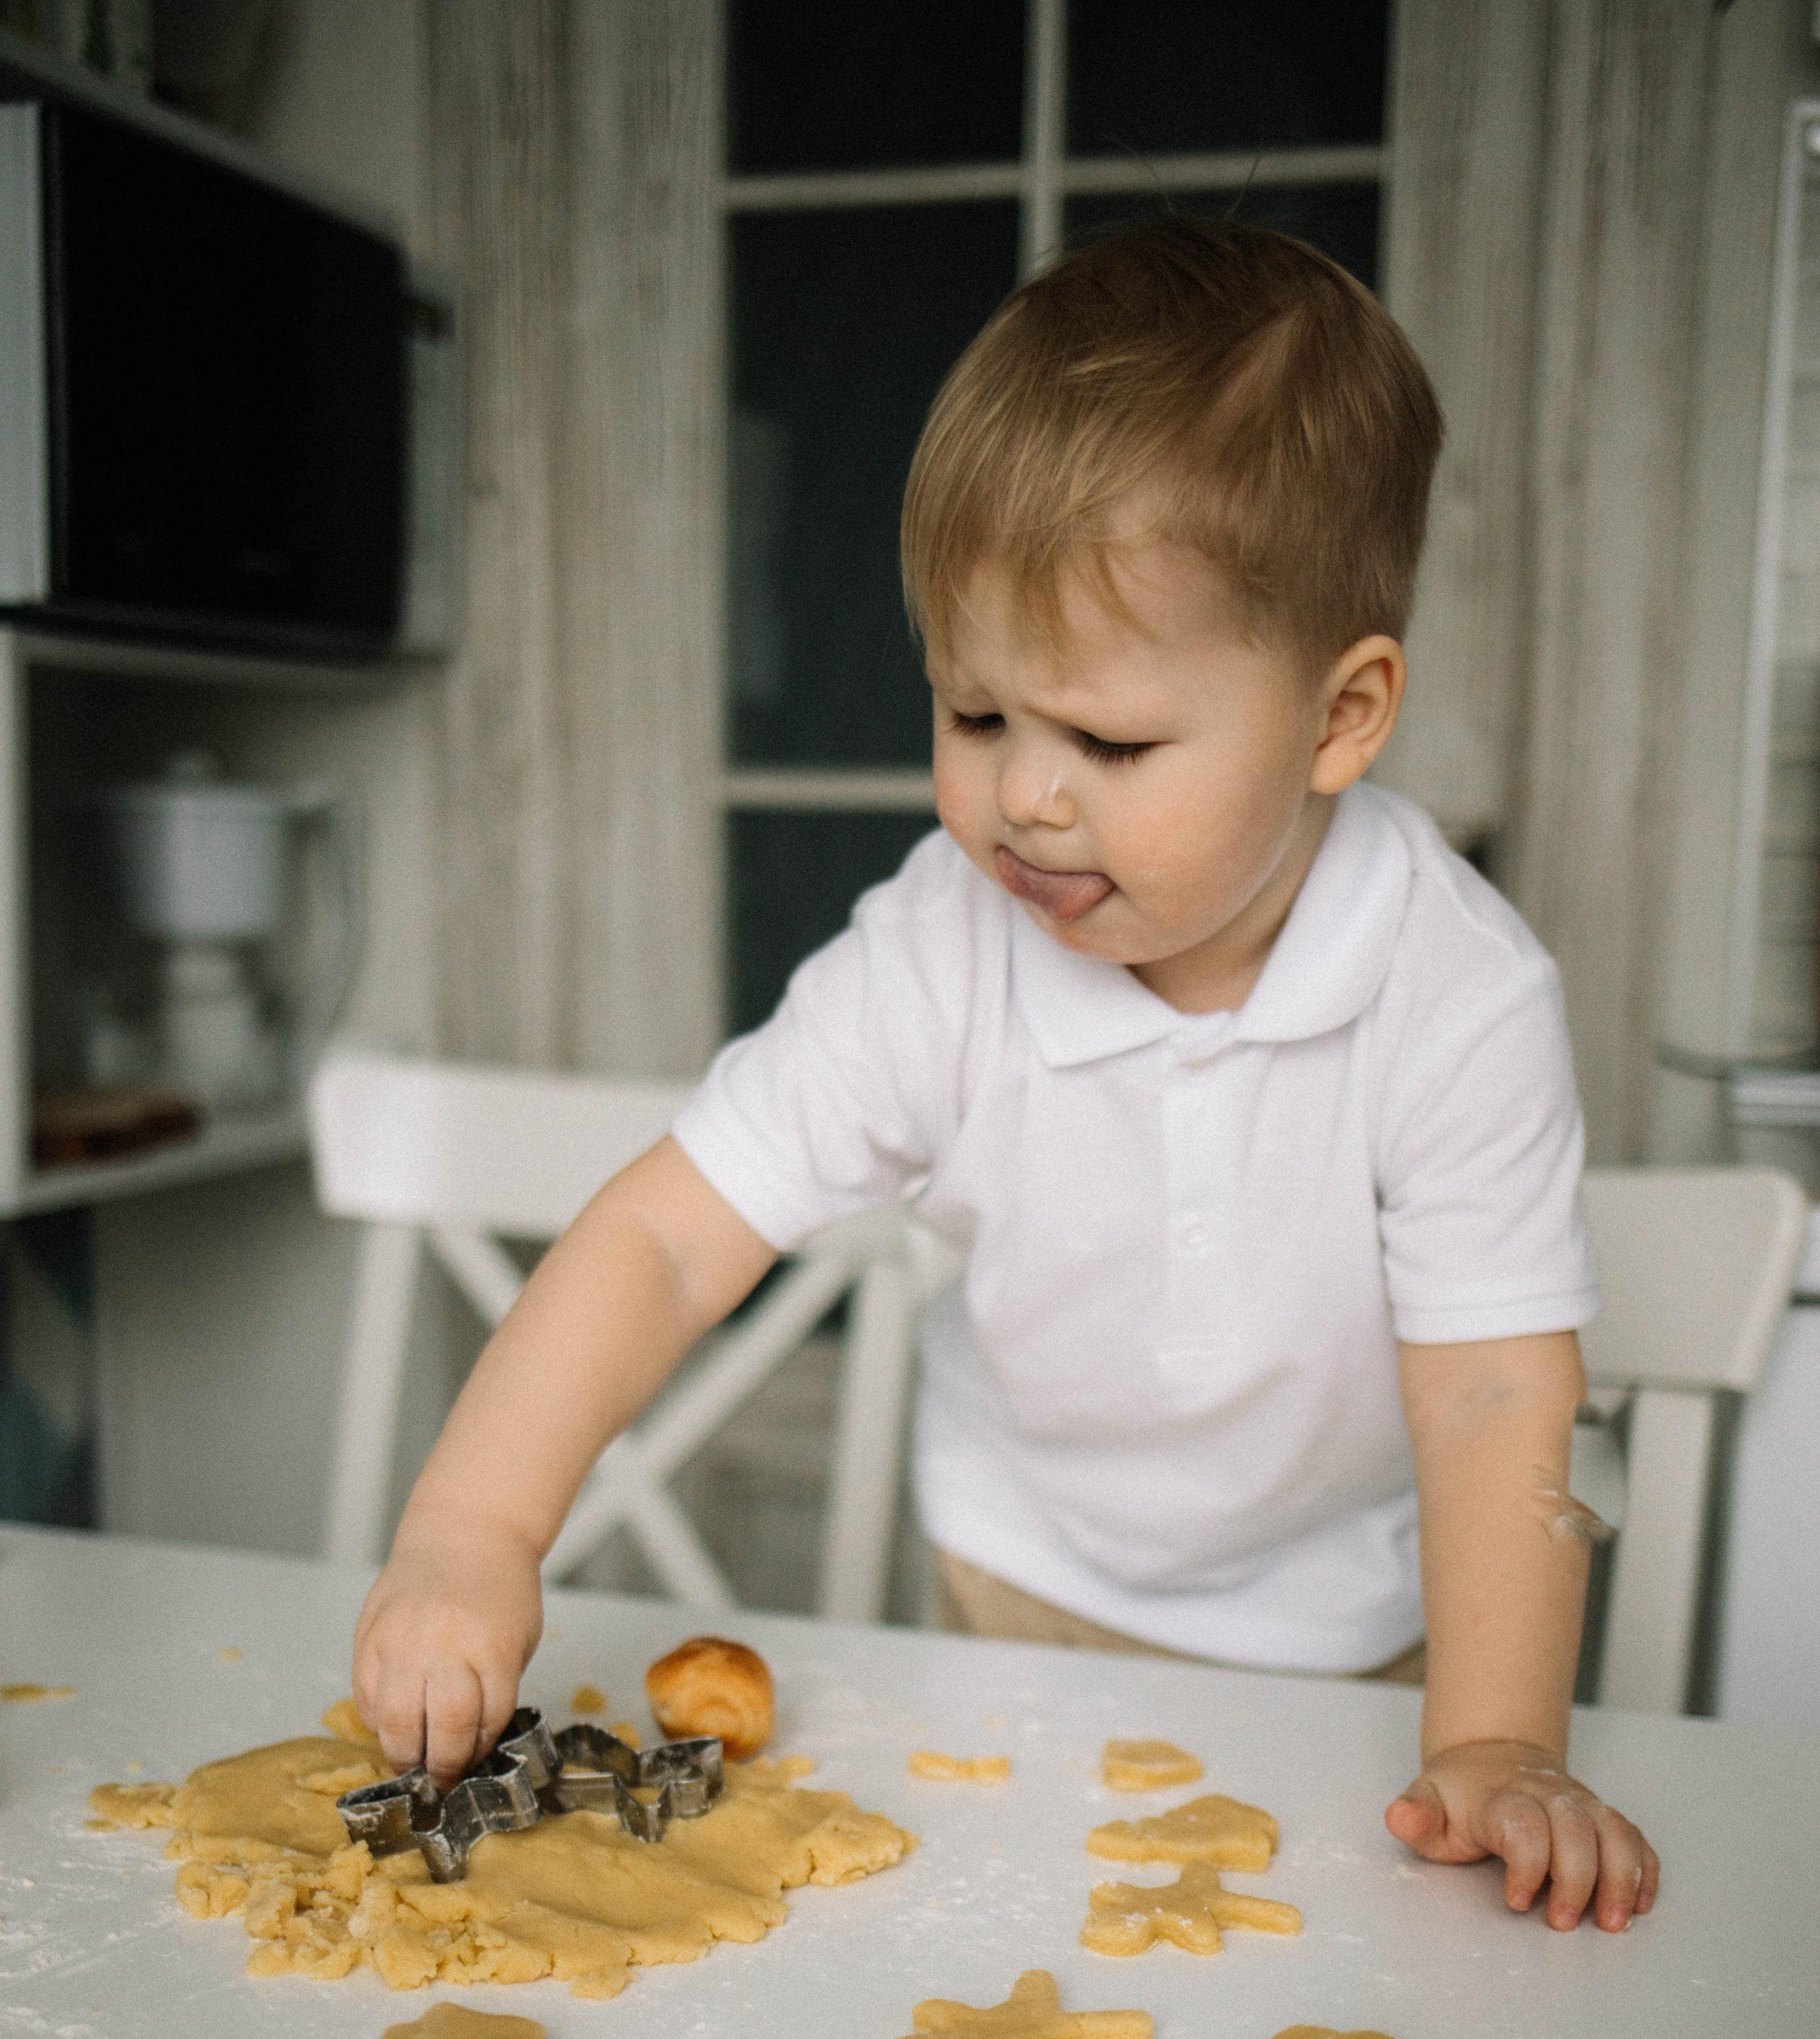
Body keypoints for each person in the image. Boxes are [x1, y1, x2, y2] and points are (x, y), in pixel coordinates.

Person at [354, 218, 1658, 1935]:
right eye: (975, 715)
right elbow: (673, 1238)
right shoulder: (936, 948)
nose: (1025, 799)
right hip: (1007, 1602)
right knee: (995, 1987)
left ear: (1341, 717)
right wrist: (470, 1527)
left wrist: (1495, 1736)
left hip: (1365, 1650)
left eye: (1109, 743)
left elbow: (1494, 1392)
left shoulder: (1458, 993)